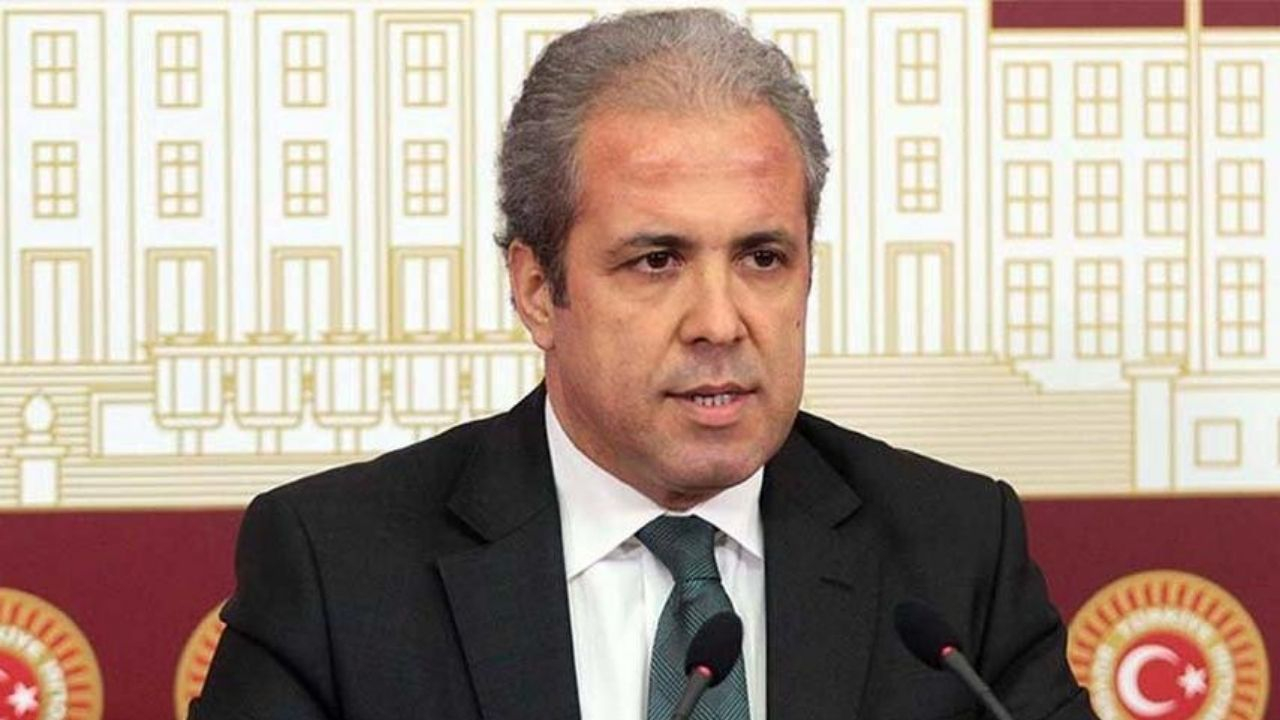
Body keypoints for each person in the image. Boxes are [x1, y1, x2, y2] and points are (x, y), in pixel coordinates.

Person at [193, 9, 1097, 720]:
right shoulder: (339, 570)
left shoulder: (954, 557)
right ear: (537, 289)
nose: (720, 322)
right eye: (657, 261)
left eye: (763, 258)